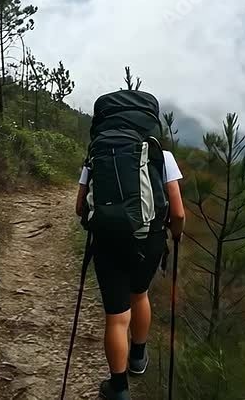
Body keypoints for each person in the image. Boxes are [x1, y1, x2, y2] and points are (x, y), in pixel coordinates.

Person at [75, 148, 186, 400]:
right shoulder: (161, 155)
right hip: (150, 240)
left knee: (116, 317)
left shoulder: (96, 154)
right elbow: (178, 213)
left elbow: (80, 206)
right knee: (140, 293)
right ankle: (137, 357)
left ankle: (119, 388)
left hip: (107, 241)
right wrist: (176, 234)